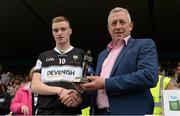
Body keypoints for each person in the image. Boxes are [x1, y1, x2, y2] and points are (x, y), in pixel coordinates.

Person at [80, 7, 159, 115]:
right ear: (108, 28)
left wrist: (105, 83)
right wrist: (83, 89)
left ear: (130, 26)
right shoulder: (102, 55)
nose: (118, 26)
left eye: (122, 22)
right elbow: (98, 90)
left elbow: (148, 76)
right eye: (114, 23)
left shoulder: (144, 45)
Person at [31, 16, 88, 115]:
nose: (59, 33)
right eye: (56, 30)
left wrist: (78, 97)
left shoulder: (82, 55)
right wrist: (60, 91)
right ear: (52, 33)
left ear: (70, 31)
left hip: (72, 111)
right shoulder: (43, 56)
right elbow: (35, 86)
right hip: (45, 112)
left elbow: (87, 86)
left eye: (63, 29)